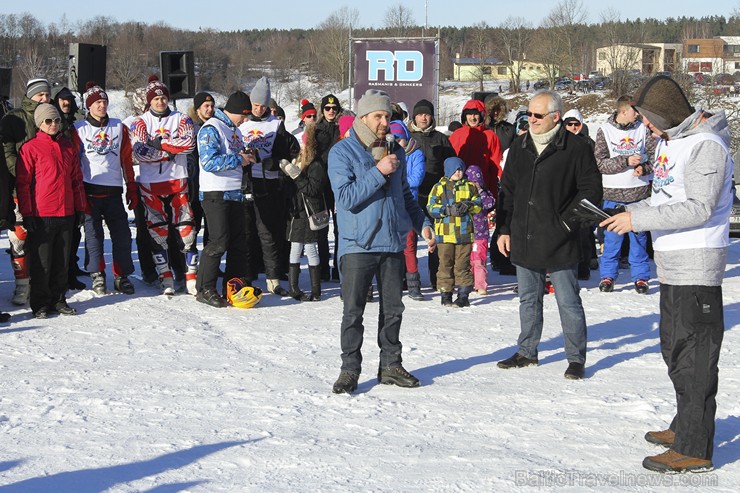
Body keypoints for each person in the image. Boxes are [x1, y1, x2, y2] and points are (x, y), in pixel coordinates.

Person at [600, 76, 733, 474]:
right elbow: (670, 193)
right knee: (674, 350)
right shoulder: (672, 141)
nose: (646, 128)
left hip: (697, 263)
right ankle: (684, 426)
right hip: (671, 262)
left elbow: (699, 208)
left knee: (695, 357)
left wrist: (636, 218)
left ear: (666, 114)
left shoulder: (707, 145)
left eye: (648, 119)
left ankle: (695, 447)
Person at [328, 89, 435, 394]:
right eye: (379, 116)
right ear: (363, 117)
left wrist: (422, 224)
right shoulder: (343, 152)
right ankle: (349, 369)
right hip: (357, 245)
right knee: (353, 311)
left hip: (391, 243)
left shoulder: (396, 152)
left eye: (388, 116)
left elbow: (404, 196)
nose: (385, 122)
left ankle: (390, 365)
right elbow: (346, 198)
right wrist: (377, 171)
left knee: (393, 310)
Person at [495, 89, 602, 380]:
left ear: (555, 117)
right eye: (529, 114)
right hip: (525, 234)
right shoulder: (520, 145)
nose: (531, 119)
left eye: (538, 115)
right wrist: (504, 229)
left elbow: (591, 192)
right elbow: (508, 190)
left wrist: (567, 224)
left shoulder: (576, 148)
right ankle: (526, 351)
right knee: (528, 299)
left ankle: (575, 358)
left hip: (560, 238)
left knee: (568, 301)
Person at [16, 103, 86, 318]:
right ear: (40, 124)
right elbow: (23, 183)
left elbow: (76, 180)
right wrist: (27, 214)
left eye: (56, 120)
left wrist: (80, 208)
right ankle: (40, 304)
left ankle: (59, 299)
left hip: (65, 212)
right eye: (48, 121)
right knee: (42, 262)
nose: (53, 124)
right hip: (41, 213)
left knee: (61, 261)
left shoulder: (67, 147)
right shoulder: (30, 148)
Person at [129, 75, 197, 295]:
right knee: (158, 233)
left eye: (163, 97)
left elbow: (188, 144)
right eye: (156, 98)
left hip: (178, 180)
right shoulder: (140, 122)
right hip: (152, 184)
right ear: (149, 101)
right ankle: (164, 276)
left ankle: (190, 276)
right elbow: (140, 152)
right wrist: (168, 151)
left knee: (186, 231)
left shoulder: (181, 118)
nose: (160, 101)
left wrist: (161, 145)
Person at [74, 82, 138, 295]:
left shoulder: (119, 127)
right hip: (89, 192)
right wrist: (77, 192)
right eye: (97, 102)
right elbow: (74, 163)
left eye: (104, 101)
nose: (102, 106)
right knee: (93, 236)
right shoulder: (79, 129)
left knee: (122, 236)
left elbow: (126, 160)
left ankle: (122, 276)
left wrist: (131, 187)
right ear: (89, 106)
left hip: (113, 192)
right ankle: (97, 274)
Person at [239, 76, 300, 296]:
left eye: (263, 106)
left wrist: (268, 161)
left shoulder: (276, 125)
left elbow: (287, 155)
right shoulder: (242, 121)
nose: (258, 109)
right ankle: (246, 275)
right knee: (246, 233)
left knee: (268, 233)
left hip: (269, 183)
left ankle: (273, 278)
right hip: (245, 183)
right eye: (255, 105)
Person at [195, 91, 255, 307]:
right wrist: (239, 159)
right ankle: (205, 288)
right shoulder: (211, 127)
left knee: (238, 242)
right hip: (215, 193)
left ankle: (233, 285)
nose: (245, 120)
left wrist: (247, 156)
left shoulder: (234, 131)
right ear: (235, 111)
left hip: (235, 192)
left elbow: (237, 156)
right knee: (218, 241)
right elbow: (209, 161)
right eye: (244, 115)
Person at [594, 96, 656, 293]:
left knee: (639, 240)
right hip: (613, 194)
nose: (637, 114)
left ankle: (641, 277)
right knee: (612, 240)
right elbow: (601, 163)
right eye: (633, 111)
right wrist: (625, 161)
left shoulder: (642, 129)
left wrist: (644, 168)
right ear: (622, 112)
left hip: (638, 193)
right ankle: (607, 276)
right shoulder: (605, 130)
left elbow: (655, 158)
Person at [1, 78, 52, 306]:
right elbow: (7, 152)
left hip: (47, 190)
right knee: (19, 238)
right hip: (19, 188)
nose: (44, 98)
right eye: (39, 95)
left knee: (43, 239)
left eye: (47, 94)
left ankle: (42, 285)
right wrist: (23, 173)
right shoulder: (13, 119)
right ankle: (22, 286)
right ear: (30, 95)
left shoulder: (52, 116)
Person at [407, 98, 457, 290]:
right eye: (419, 114)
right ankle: (409, 279)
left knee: (435, 239)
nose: (423, 118)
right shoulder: (408, 137)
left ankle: (437, 278)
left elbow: (451, 164)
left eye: (427, 114)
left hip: (435, 195)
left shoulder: (441, 139)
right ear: (414, 117)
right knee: (409, 239)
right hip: (412, 195)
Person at [279, 122, 325, 302]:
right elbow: (294, 187)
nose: (301, 147)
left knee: (311, 249)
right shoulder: (300, 160)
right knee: (295, 248)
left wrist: (297, 176)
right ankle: (293, 287)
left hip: (309, 211)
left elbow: (312, 190)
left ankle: (316, 290)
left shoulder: (316, 165)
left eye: (304, 144)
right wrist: (287, 173)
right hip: (297, 211)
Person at [426, 157, 481, 307]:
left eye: (460, 169)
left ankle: (463, 294)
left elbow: (478, 204)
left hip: (464, 233)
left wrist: (468, 205)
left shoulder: (470, 187)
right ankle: (446, 293)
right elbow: (431, 208)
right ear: (448, 170)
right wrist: (446, 210)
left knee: (462, 265)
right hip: (445, 234)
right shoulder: (439, 187)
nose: (458, 172)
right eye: (455, 170)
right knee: (445, 264)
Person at [52, 85, 86, 290]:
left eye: (68, 100)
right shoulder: (52, 124)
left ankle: (71, 268)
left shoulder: (76, 123)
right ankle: (63, 274)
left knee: (76, 231)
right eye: (62, 100)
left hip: (77, 180)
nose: (66, 103)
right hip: (58, 182)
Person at [389, 119, 426, 301]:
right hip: (393, 205)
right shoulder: (388, 155)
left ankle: (413, 284)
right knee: (392, 247)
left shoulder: (415, 154)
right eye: (393, 139)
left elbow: (416, 178)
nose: (397, 143)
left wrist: (397, 181)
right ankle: (395, 282)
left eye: (399, 139)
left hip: (409, 203)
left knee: (409, 246)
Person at [315, 93, 343, 282]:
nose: (331, 111)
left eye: (334, 108)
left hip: (340, 184)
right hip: (323, 184)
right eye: (327, 108)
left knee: (341, 228)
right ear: (322, 110)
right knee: (322, 228)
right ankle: (323, 267)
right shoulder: (316, 130)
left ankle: (338, 268)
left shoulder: (344, 128)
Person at [449, 100, 502, 196]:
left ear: (481, 115)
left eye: (475, 114)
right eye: (469, 114)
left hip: (483, 187)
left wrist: (493, 191)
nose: (472, 118)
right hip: (458, 187)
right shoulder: (457, 135)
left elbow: (496, 165)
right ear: (465, 116)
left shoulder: (491, 136)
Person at [187, 91, 216, 243]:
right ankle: (190, 262)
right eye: (206, 106)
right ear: (197, 109)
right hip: (194, 185)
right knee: (193, 228)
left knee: (212, 230)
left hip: (212, 186)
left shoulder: (217, 126)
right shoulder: (190, 128)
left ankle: (209, 266)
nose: (209, 109)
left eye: (212, 106)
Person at [464, 164, 495, 295]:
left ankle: (481, 284)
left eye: (477, 182)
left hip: (480, 234)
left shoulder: (485, 195)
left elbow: (489, 204)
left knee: (478, 260)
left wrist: (481, 191)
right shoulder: (464, 194)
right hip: (466, 233)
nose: (474, 185)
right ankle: (468, 282)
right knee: (466, 259)